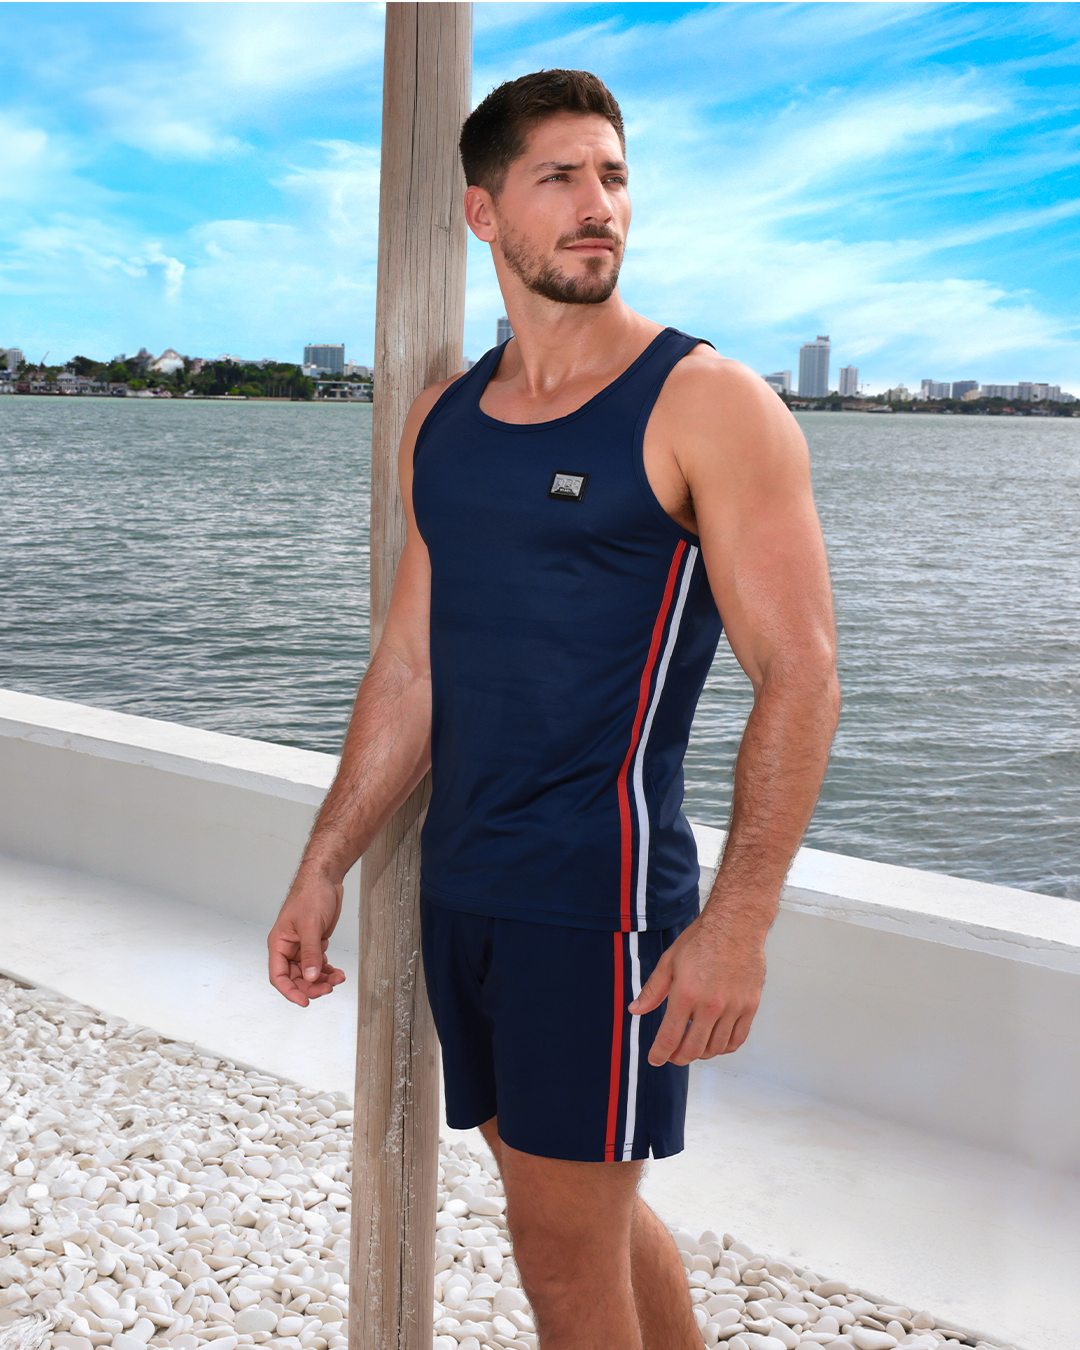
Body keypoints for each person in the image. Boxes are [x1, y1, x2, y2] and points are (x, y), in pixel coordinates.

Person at [268, 69, 840, 1350]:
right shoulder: (449, 420)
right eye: (562, 178)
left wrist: (737, 926)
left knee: (557, 1259)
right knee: (571, 1198)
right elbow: (411, 669)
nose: (599, 207)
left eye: (615, 176)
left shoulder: (709, 404)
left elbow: (801, 676)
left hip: (601, 898)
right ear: (486, 215)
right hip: (466, 885)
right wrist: (322, 868)